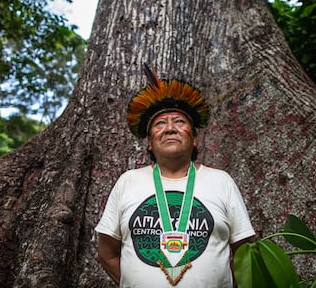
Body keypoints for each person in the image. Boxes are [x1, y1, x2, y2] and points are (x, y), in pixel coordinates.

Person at [95, 64, 255, 287]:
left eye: (179, 122)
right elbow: (107, 253)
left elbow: (245, 253)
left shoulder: (221, 181)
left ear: (195, 139)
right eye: (160, 123)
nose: (170, 129)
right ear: (150, 143)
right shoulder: (128, 182)